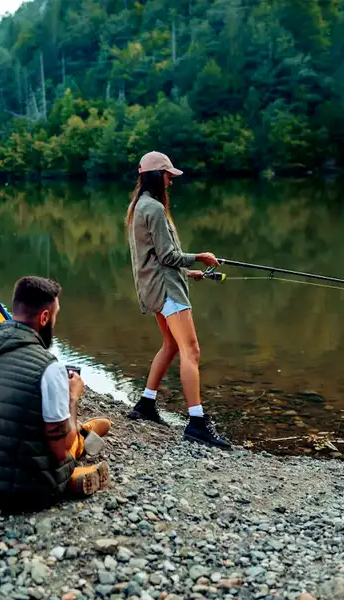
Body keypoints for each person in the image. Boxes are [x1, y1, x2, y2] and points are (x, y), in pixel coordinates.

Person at [0, 276, 112, 511]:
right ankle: (78, 459)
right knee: (64, 446)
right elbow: (60, 451)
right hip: (17, 492)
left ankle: (84, 436)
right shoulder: (48, 367)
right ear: (44, 317)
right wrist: (72, 398)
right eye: (55, 315)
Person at [125, 150, 232, 449]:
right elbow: (168, 255)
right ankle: (197, 422)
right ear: (157, 176)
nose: (171, 180)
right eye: (169, 175)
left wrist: (190, 273)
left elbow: (152, 258)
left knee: (172, 345)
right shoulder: (155, 209)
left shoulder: (140, 206)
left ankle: (146, 404)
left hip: (155, 288)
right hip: (167, 290)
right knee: (192, 350)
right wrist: (200, 257)